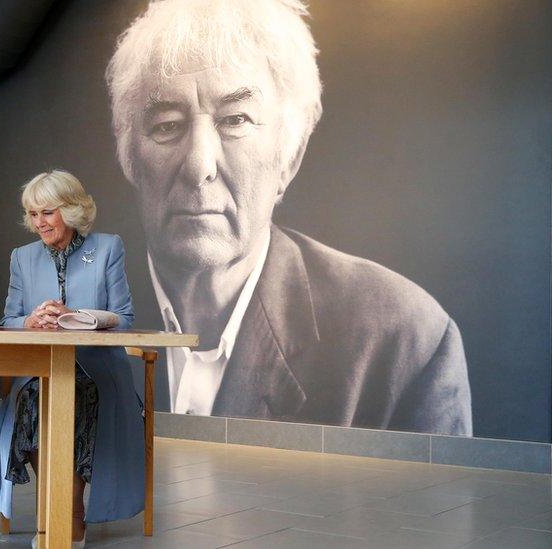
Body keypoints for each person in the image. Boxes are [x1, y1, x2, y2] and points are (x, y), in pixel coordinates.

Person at [105, 0, 472, 435]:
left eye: (236, 119)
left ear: (289, 158)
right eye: (167, 124)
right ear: (129, 158)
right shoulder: (73, 307)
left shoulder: (405, 339)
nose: (199, 164)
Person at [0, 170, 141, 546]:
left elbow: (124, 317)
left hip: (98, 368)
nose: (39, 222)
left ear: (71, 211)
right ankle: (52, 508)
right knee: (39, 396)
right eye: (34, 213)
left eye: (48, 212)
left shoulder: (108, 248)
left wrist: (83, 318)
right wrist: (30, 320)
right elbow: (6, 321)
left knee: (78, 395)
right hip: (38, 370)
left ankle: (69, 512)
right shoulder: (22, 258)